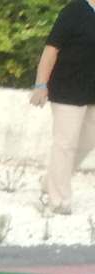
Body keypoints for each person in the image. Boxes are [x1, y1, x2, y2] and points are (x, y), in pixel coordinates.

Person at [33, 0, 95, 211]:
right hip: (67, 88)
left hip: (92, 92)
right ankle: (59, 201)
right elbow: (51, 50)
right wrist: (41, 84)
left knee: (87, 142)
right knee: (65, 144)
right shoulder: (74, 11)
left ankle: (50, 181)